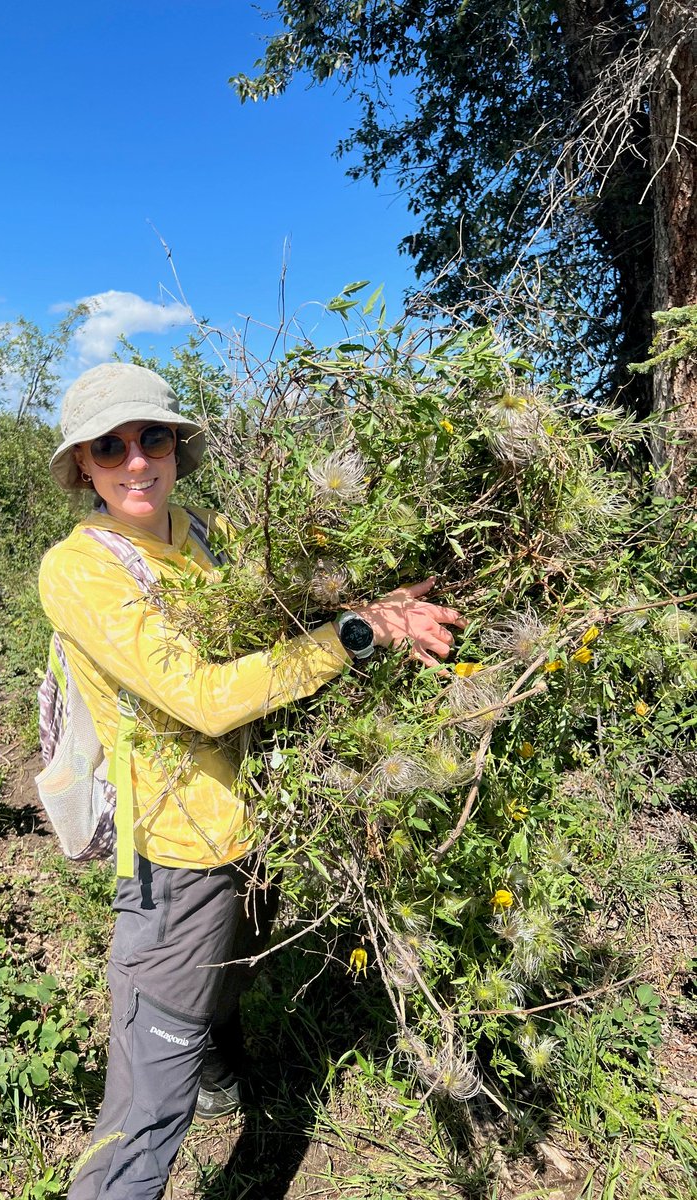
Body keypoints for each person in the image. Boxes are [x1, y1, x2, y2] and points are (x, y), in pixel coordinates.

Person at [38, 363, 465, 1200]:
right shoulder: (79, 571)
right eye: (109, 445)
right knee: (144, 1114)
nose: (135, 461)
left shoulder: (208, 533)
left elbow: (290, 613)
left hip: (259, 823)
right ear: (83, 465)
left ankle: (222, 1078)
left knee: (229, 982)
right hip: (175, 851)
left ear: (175, 447)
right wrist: (353, 637)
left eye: (151, 436)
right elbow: (201, 697)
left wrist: (378, 612)